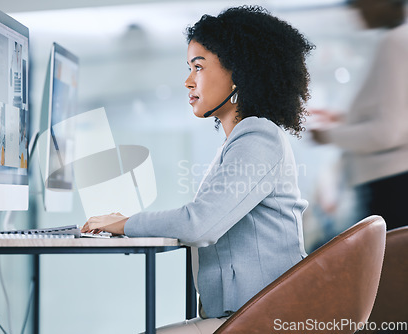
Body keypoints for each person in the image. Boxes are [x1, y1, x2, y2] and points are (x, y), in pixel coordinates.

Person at [82, 6, 314, 333]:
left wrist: (125, 223)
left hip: (264, 318)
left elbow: (199, 223)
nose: (188, 80)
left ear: (239, 73)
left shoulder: (258, 138)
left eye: (199, 67)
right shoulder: (243, 140)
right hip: (248, 313)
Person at [310, 0, 408, 230]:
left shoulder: (394, 42)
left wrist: (327, 135)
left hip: (391, 185)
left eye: (360, 2)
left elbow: (386, 134)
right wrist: (344, 120)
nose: (356, 10)